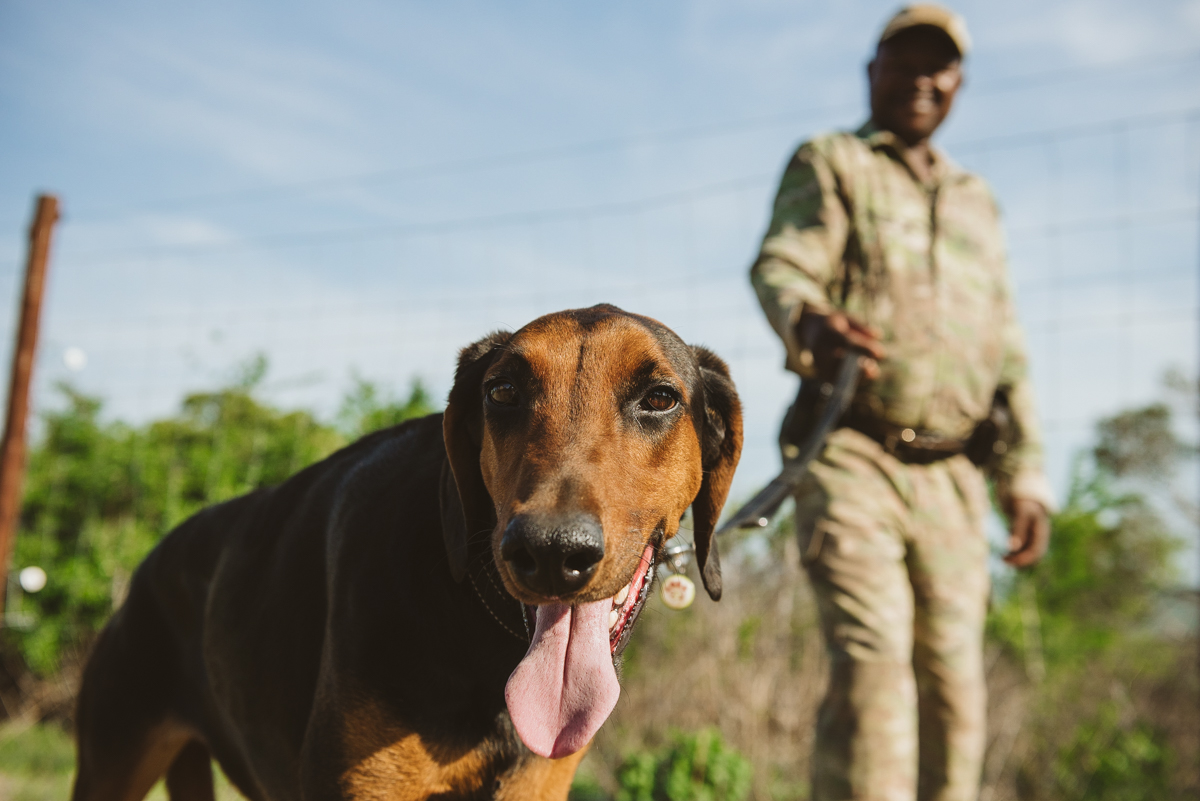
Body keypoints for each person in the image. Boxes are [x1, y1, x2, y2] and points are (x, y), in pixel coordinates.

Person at [749, 6, 1055, 800]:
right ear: (871, 72)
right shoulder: (835, 161)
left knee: (955, 684)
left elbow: (1006, 340)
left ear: (957, 84)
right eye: (904, 62)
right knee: (875, 666)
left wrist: (1024, 474)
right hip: (855, 452)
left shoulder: (977, 199)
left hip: (954, 474)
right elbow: (783, 262)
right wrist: (809, 319)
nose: (921, 80)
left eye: (939, 67)